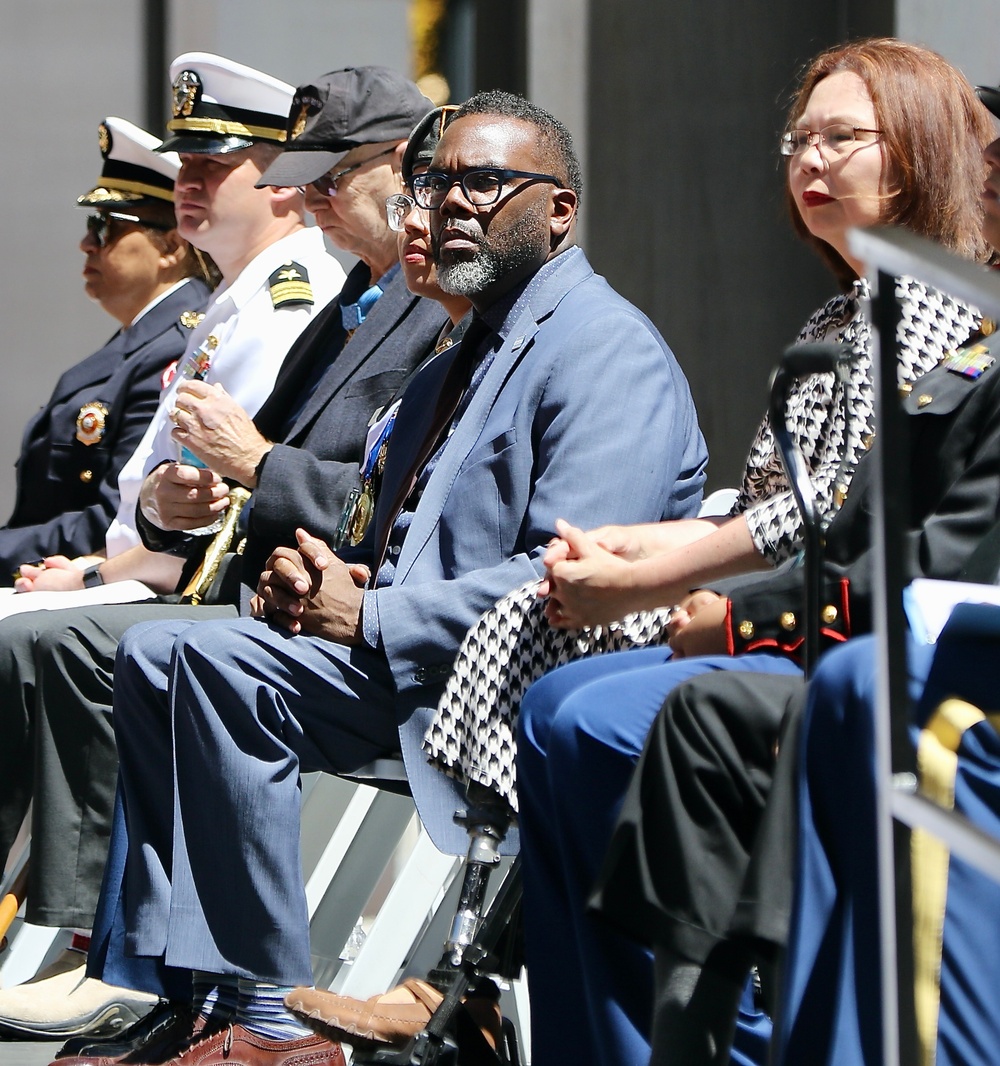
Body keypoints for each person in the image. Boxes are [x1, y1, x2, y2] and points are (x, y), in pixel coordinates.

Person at [58, 89, 707, 1066]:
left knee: (216, 666)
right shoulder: (462, 354)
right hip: (415, 658)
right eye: (436, 181)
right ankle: (200, 999)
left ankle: (268, 1021)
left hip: (522, 682)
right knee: (163, 652)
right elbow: (378, 523)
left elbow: (581, 582)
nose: (449, 203)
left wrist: (371, 608)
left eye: (483, 182)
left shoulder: (604, 350)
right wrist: (318, 573)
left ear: (559, 210)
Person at [419, 39, 994, 1066]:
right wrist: (647, 549)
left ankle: (701, 1034)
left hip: (850, 632)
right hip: (801, 606)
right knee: (555, 696)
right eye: (798, 140)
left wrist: (674, 575)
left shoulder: (939, 302)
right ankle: (578, 1024)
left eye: (841, 139)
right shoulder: (843, 306)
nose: (809, 161)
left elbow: (841, 521)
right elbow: (782, 499)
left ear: (913, 152)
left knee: (584, 711)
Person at [0, 70, 444, 1041]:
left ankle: (213, 995)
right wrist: (172, 509)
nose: (312, 195)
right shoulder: (358, 304)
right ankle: (185, 991)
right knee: (134, 646)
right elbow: (238, 481)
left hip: (366, 617)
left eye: (335, 175)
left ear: (411, 170)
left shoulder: (429, 313)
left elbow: (393, 494)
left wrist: (249, 468)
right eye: (306, 175)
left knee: (130, 647)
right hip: (273, 594)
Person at [9, 52, 344, 599]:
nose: (187, 181)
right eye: (185, 163)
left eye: (214, 165)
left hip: (200, 594)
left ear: (285, 182)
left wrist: (88, 574)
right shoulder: (234, 298)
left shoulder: (288, 305)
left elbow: (207, 518)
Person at [0, 116, 212, 582]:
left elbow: (117, 511)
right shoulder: (141, 340)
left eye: (106, 228)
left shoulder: (174, 346)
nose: (86, 244)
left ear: (172, 246)